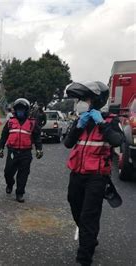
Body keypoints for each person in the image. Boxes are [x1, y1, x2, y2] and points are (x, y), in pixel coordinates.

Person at [64, 81, 124, 266]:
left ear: (97, 101)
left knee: (89, 215)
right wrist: (78, 126)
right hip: (77, 173)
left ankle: (84, 257)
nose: (83, 103)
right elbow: (68, 143)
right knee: (75, 206)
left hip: (97, 177)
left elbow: (117, 141)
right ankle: (88, 237)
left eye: (86, 99)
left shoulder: (110, 121)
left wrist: (101, 124)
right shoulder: (80, 120)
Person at [0, 98, 43, 203]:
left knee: (23, 174)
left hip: (25, 153)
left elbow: (37, 137)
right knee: (8, 172)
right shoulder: (10, 122)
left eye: (22, 109)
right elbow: (4, 136)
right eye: (18, 109)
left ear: (26, 110)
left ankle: (20, 193)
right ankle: (10, 184)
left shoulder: (32, 123)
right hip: (12, 151)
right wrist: (0, 148)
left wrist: (39, 149)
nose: (20, 111)